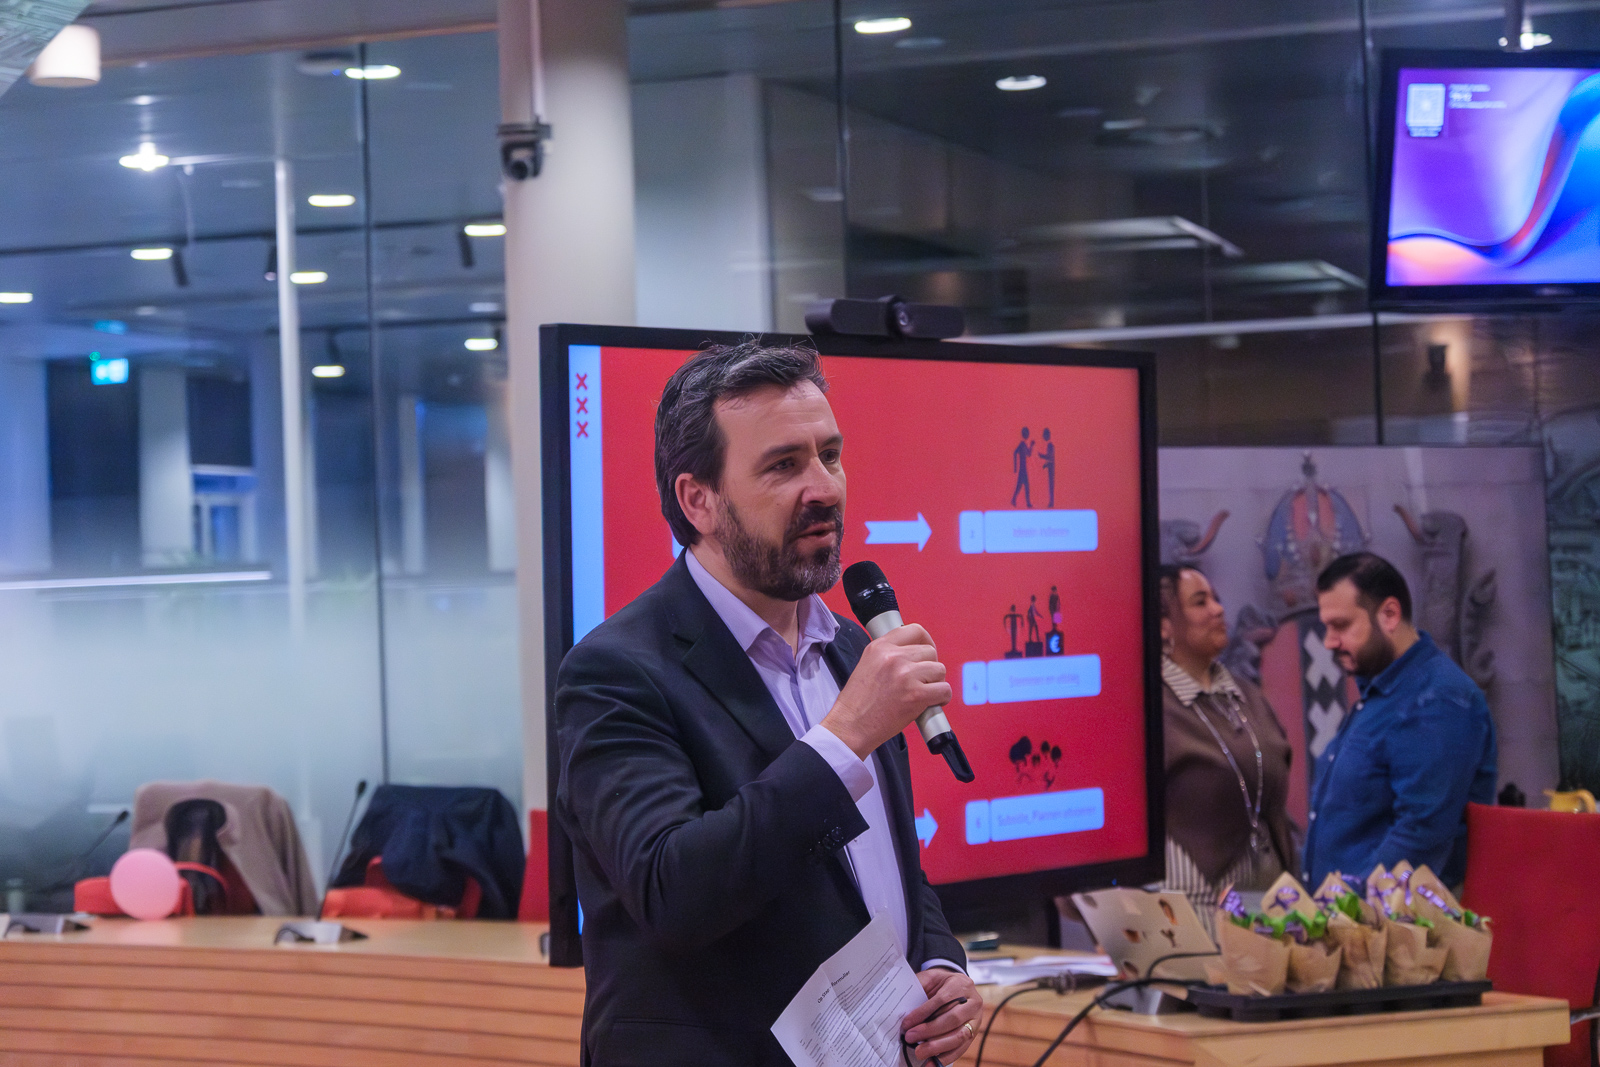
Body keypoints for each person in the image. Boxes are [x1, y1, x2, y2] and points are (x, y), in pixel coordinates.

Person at [554, 341, 980, 1067]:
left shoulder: (850, 645)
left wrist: (939, 960)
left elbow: (882, 863)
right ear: (699, 500)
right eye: (784, 465)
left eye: (830, 455)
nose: (825, 487)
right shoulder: (616, 671)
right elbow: (672, 890)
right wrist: (846, 735)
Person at [1304, 552, 1497, 889]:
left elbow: (1420, 835)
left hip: (1387, 918)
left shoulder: (1438, 699)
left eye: (1341, 625)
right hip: (1346, 914)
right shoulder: (1382, 692)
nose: (1329, 641)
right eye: (1327, 627)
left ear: (1389, 614)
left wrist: (1349, 907)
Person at [1157, 564, 1296, 928]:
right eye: (1200, 602)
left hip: (1267, 899)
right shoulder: (1147, 706)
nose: (1218, 610)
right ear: (1163, 626)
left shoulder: (1245, 694)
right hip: (1192, 902)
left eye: (1216, 599)